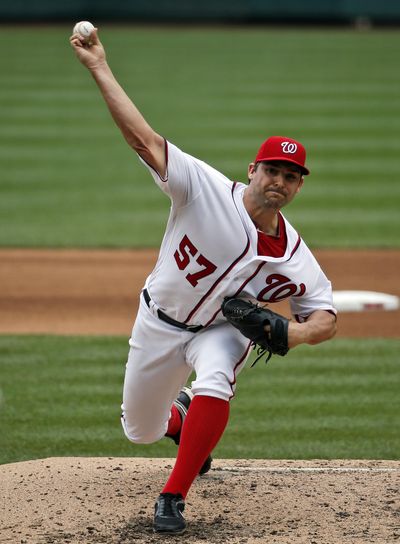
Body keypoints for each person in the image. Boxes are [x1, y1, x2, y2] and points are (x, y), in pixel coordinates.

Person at [70, 27, 337, 535]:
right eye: (273, 171)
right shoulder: (202, 188)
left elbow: (326, 315)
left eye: (292, 175)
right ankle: (182, 419)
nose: (280, 181)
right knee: (140, 431)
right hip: (158, 322)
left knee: (218, 373)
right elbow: (144, 139)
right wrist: (99, 67)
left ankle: (174, 496)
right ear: (253, 169)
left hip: (220, 329)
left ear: (300, 185)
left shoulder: (296, 257)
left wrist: (295, 334)